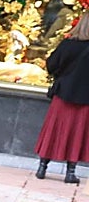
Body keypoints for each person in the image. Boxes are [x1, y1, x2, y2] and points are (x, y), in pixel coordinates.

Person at [34, 14, 89, 184]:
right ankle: (70, 171)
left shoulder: (67, 44)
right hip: (85, 98)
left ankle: (43, 166)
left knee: (53, 130)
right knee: (77, 134)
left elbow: (51, 65)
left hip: (62, 94)